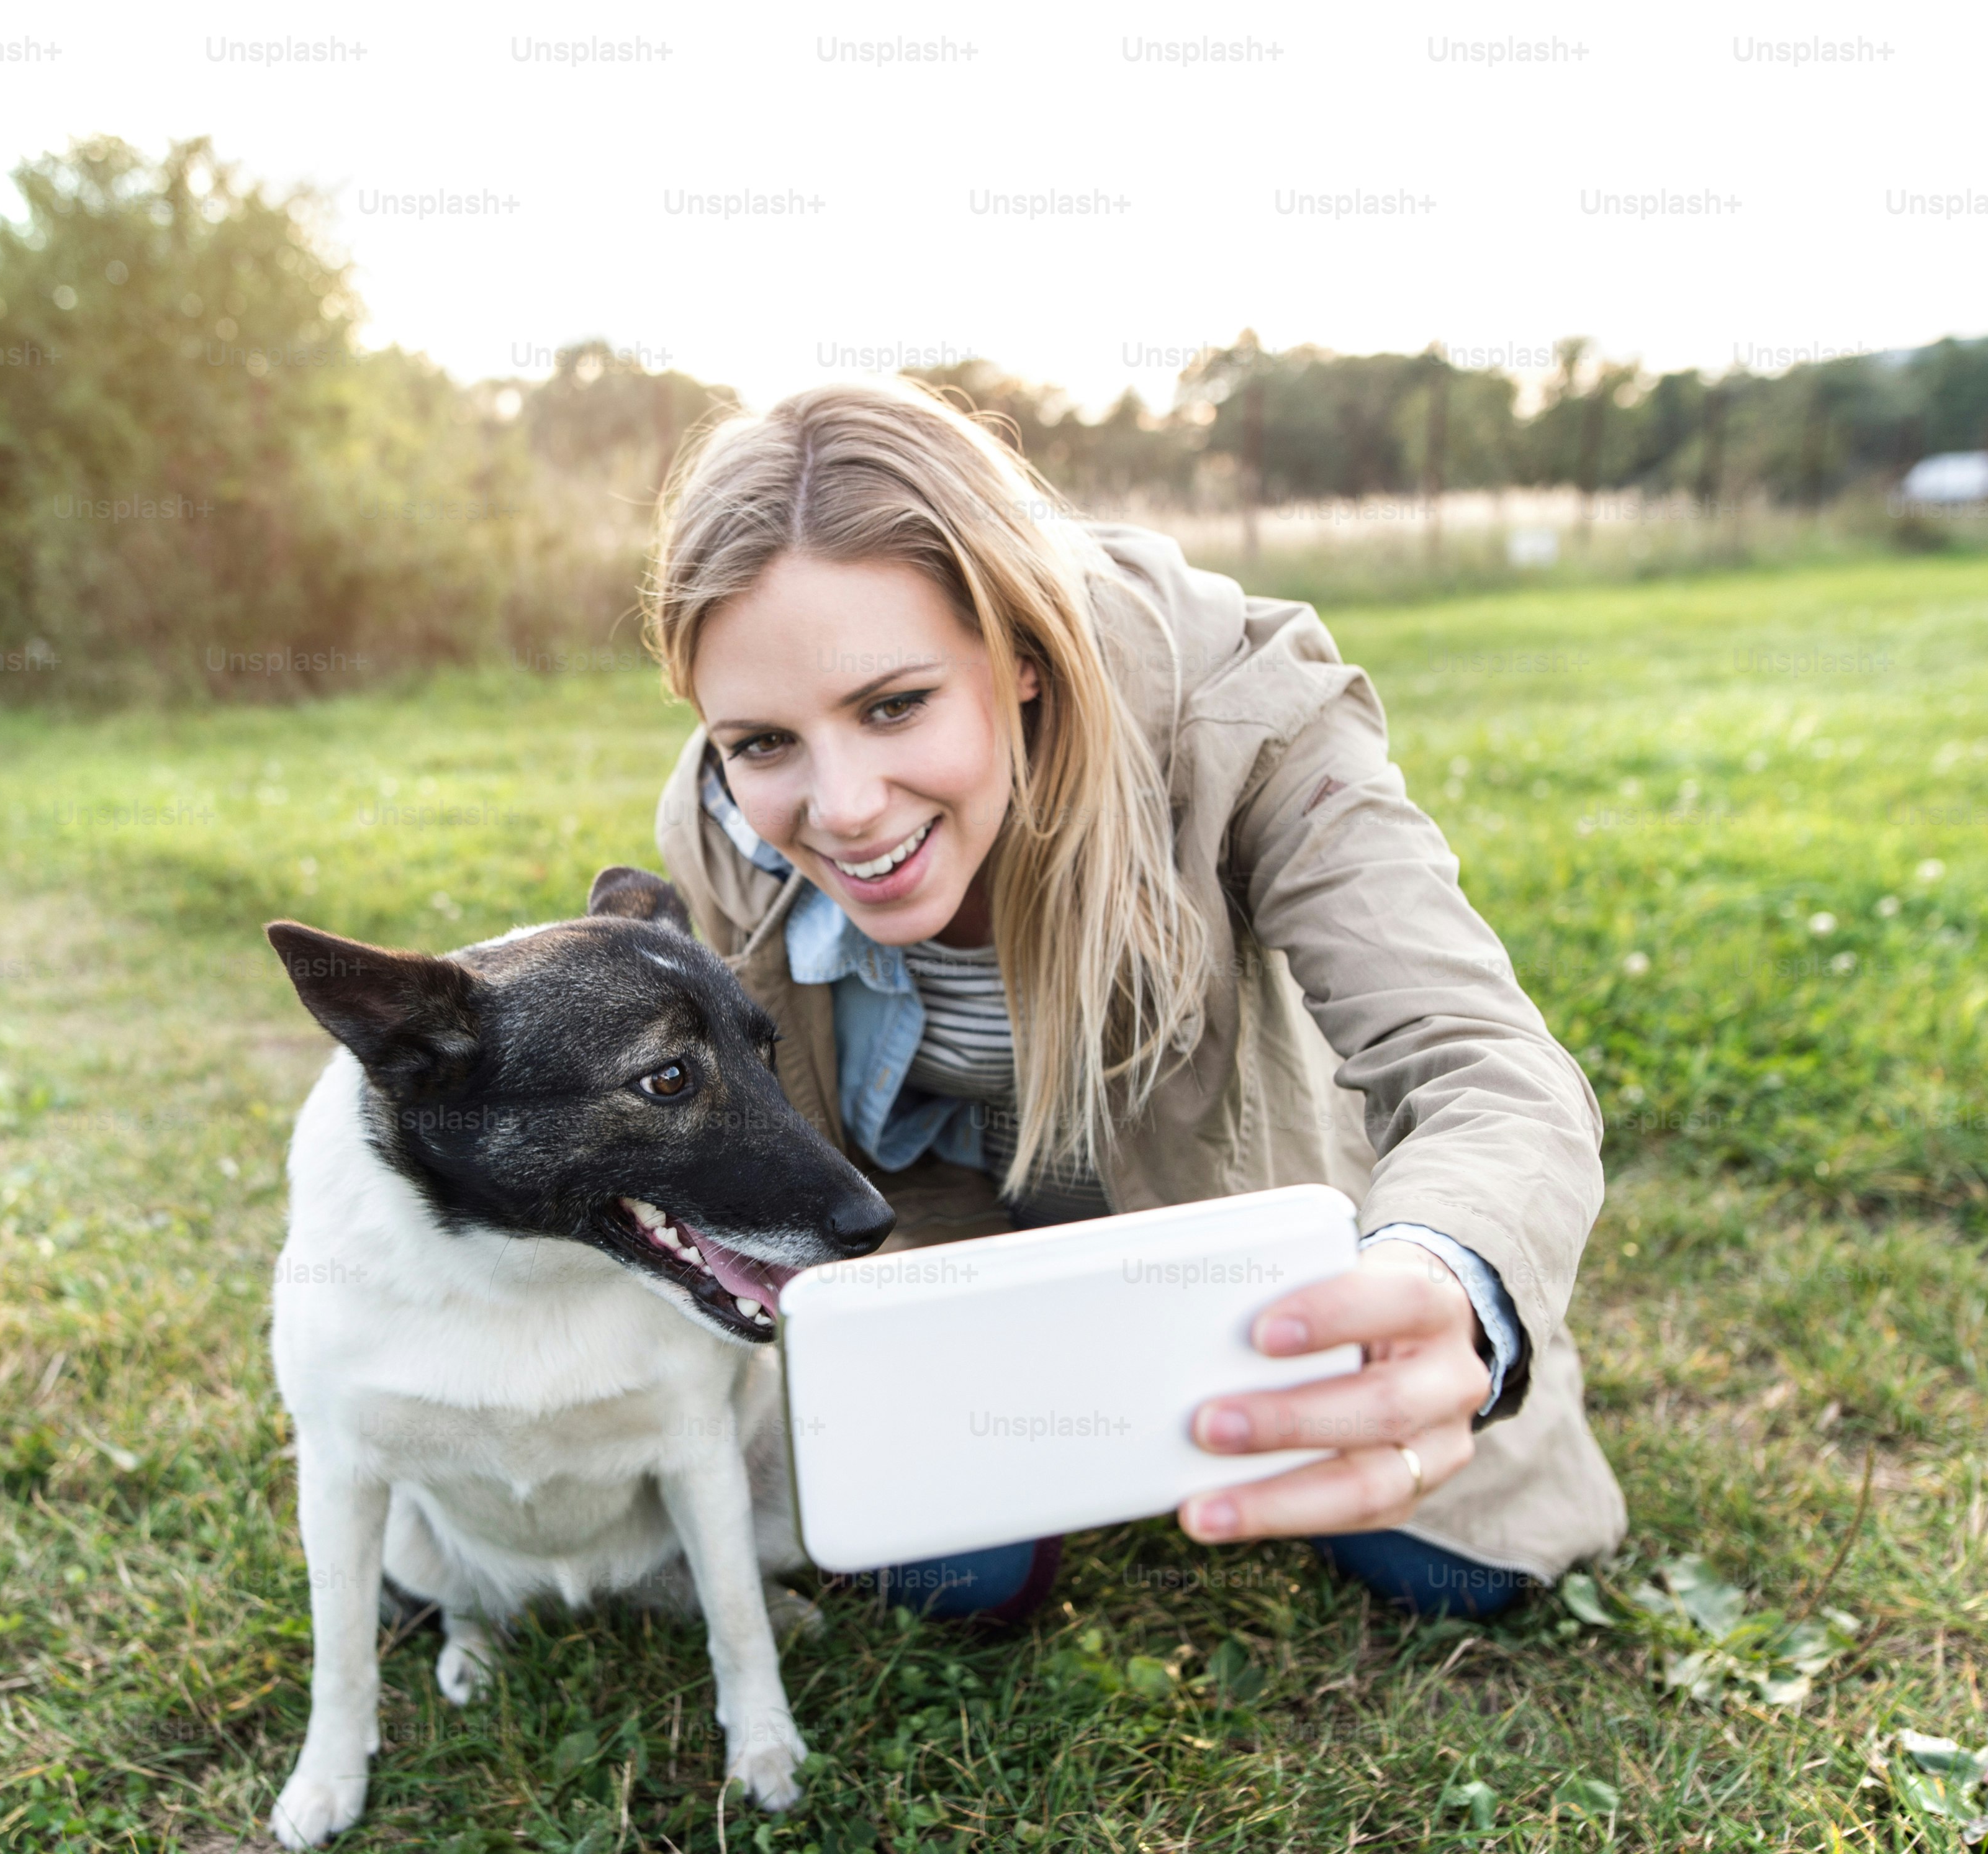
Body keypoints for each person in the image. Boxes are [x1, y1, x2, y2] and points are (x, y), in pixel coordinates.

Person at [642, 380, 1626, 1622]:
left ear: (1024, 660)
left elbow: (1484, 1061)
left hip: (1227, 1191)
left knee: (1458, 1568)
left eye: (895, 705)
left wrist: (1444, 1272)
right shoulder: (721, 825)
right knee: (945, 1574)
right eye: (763, 741)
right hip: (935, 1219)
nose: (840, 805)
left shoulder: (1248, 712)